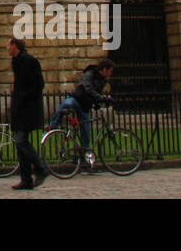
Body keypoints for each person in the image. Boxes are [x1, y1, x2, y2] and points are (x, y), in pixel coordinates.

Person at [48, 58, 115, 164]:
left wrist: (98, 103)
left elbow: (96, 93)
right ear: (104, 69)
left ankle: (83, 160)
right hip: (77, 99)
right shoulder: (90, 73)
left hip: (85, 107)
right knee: (66, 104)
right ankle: (52, 126)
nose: (111, 73)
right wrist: (102, 98)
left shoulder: (104, 80)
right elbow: (88, 88)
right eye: (110, 70)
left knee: (86, 135)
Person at [8, 37, 48, 190]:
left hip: (28, 109)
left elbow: (39, 84)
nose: (7, 48)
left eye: (8, 45)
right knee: (20, 146)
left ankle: (41, 167)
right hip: (19, 109)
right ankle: (26, 180)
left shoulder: (29, 61)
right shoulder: (16, 61)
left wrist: (23, 96)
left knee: (20, 141)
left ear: (15, 46)